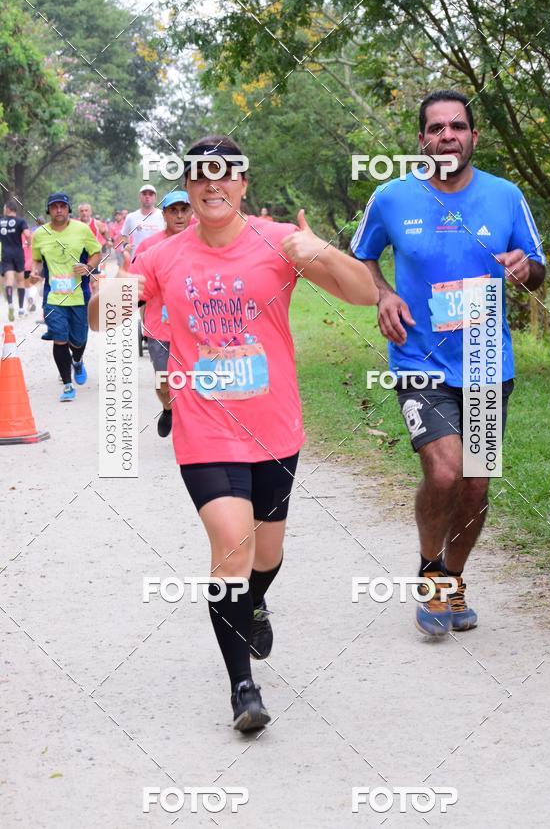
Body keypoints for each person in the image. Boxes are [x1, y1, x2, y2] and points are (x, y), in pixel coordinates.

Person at [89, 135, 377, 731]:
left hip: (273, 425)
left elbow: (363, 293)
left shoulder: (277, 243)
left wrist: (318, 250)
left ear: (244, 183)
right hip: (204, 424)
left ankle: (257, 598)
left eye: (225, 174)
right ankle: (243, 688)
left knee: (266, 552)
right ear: (188, 188)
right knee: (231, 547)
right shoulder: (162, 255)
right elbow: (107, 321)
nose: (211, 185)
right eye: (199, 177)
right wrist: (108, 288)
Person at [351, 90, 546, 637]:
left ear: (473, 136)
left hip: (486, 358)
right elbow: (361, 256)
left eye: (457, 127)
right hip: (419, 357)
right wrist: (383, 294)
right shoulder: (391, 197)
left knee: (477, 485)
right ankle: (430, 573)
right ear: (421, 139)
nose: (447, 136)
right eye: (435, 128)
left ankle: (453, 577)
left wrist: (522, 268)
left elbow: (537, 268)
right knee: (444, 469)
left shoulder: (506, 197)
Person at [131, 190, 193, 437]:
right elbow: (136, 285)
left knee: (196, 378)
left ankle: (192, 422)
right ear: (164, 214)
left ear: (192, 212)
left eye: (184, 210)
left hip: (195, 325)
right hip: (160, 325)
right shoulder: (149, 245)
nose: (179, 216)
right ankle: (168, 408)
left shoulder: (204, 239)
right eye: (173, 211)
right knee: (163, 380)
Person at [31, 192, 101, 401]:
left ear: (69, 209)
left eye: (62, 206)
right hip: (53, 296)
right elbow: (36, 260)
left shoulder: (81, 229)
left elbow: (96, 253)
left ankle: (77, 361)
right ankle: (68, 385)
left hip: (79, 294)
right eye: (54, 206)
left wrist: (88, 267)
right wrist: (35, 272)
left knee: (78, 339)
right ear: (49, 210)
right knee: (59, 338)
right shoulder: (40, 234)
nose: (59, 210)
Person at [0, 198, 31, 321]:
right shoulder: (20, 221)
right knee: (20, 282)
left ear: (8, 209)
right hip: (18, 253)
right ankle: (21, 309)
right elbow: (28, 234)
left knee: (9, 280)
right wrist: (29, 243)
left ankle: (10, 304)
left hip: (6, 254)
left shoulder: (1, 221)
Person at [121, 185, 165, 261]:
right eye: (144, 194)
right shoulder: (131, 217)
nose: (147, 196)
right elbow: (124, 235)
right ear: (139, 198)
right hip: (138, 260)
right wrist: (125, 245)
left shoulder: (164, 215)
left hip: (159, 260)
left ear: (155, 198)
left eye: (151, 194)